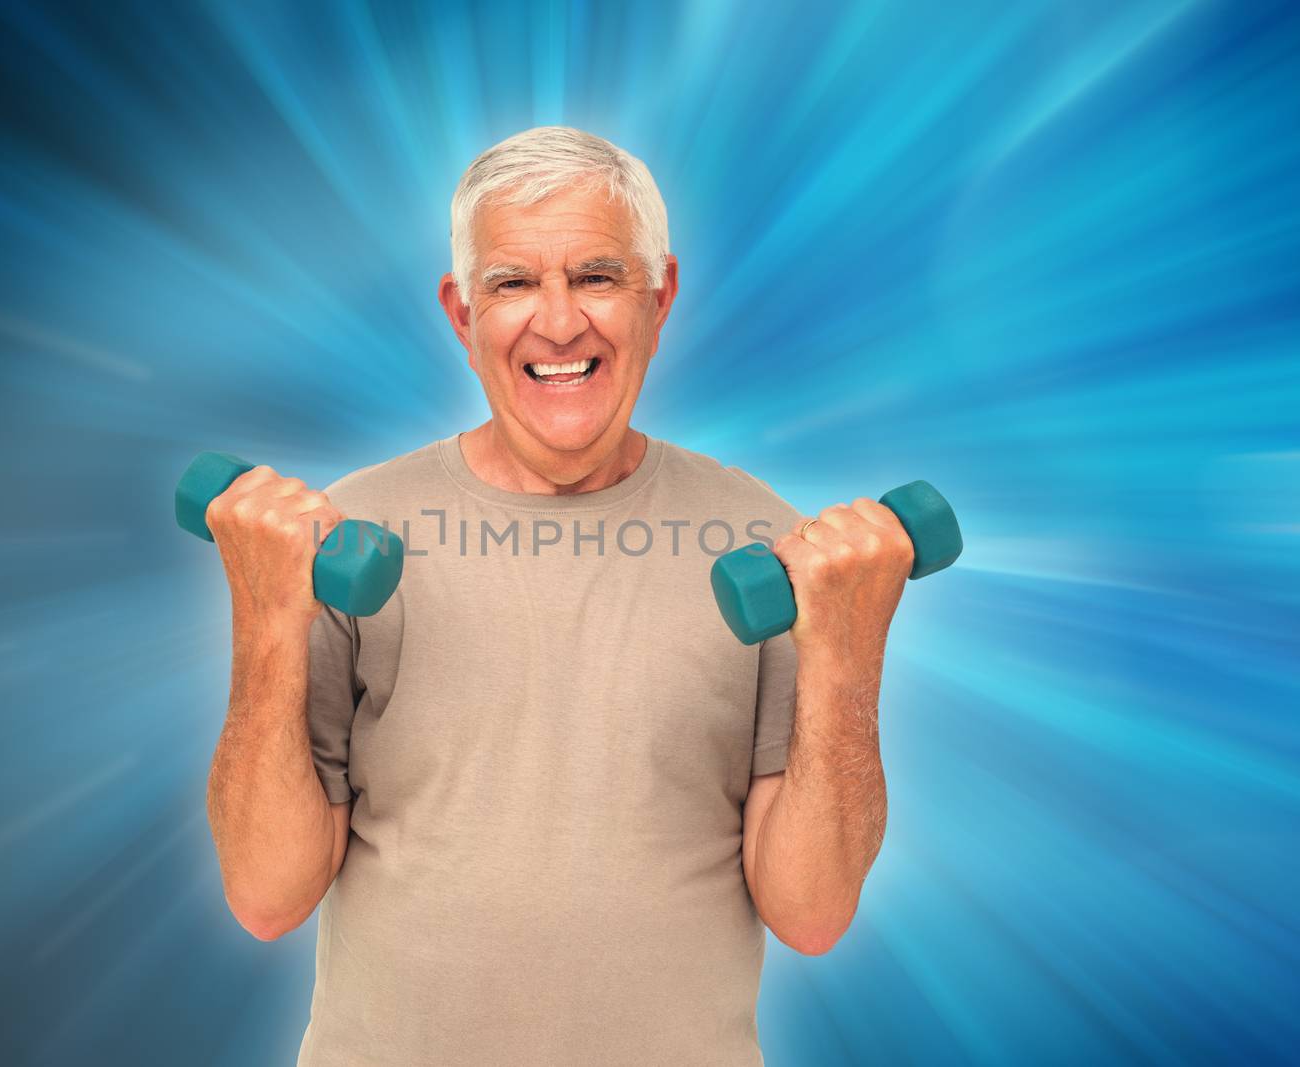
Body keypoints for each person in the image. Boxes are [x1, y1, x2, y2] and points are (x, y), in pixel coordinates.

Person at [202, 126, 916, 1066]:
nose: (559, 321)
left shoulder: (766, 547)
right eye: (512, 284)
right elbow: (266, 896)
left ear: (660, 298)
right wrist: (265, 619)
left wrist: (847, 653)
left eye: (597, 277)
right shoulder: (348, 536)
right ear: (462, 317)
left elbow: (812, 913)